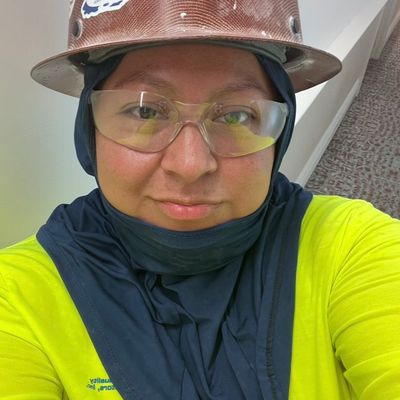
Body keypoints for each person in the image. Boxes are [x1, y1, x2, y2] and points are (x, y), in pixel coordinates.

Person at [0, 0, 399, 399]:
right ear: (90, 131)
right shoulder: (17, 294)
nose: (190, 165)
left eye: (236, 116)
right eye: (144, 111)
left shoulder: (353, 247)